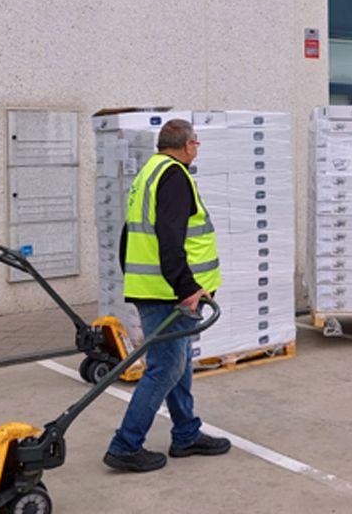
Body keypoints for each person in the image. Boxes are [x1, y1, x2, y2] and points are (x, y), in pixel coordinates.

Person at [103, 118, 230, 472]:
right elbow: (169, 237)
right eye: (196, 144)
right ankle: (125, 445)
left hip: (157, 288)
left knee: (180, 363)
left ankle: (186, 433)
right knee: (165, 367)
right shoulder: (174, 177)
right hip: (168, 294)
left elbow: (130, 234)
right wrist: (186, 288)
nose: (196, 149)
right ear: (188, 146)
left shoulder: (150, 172)